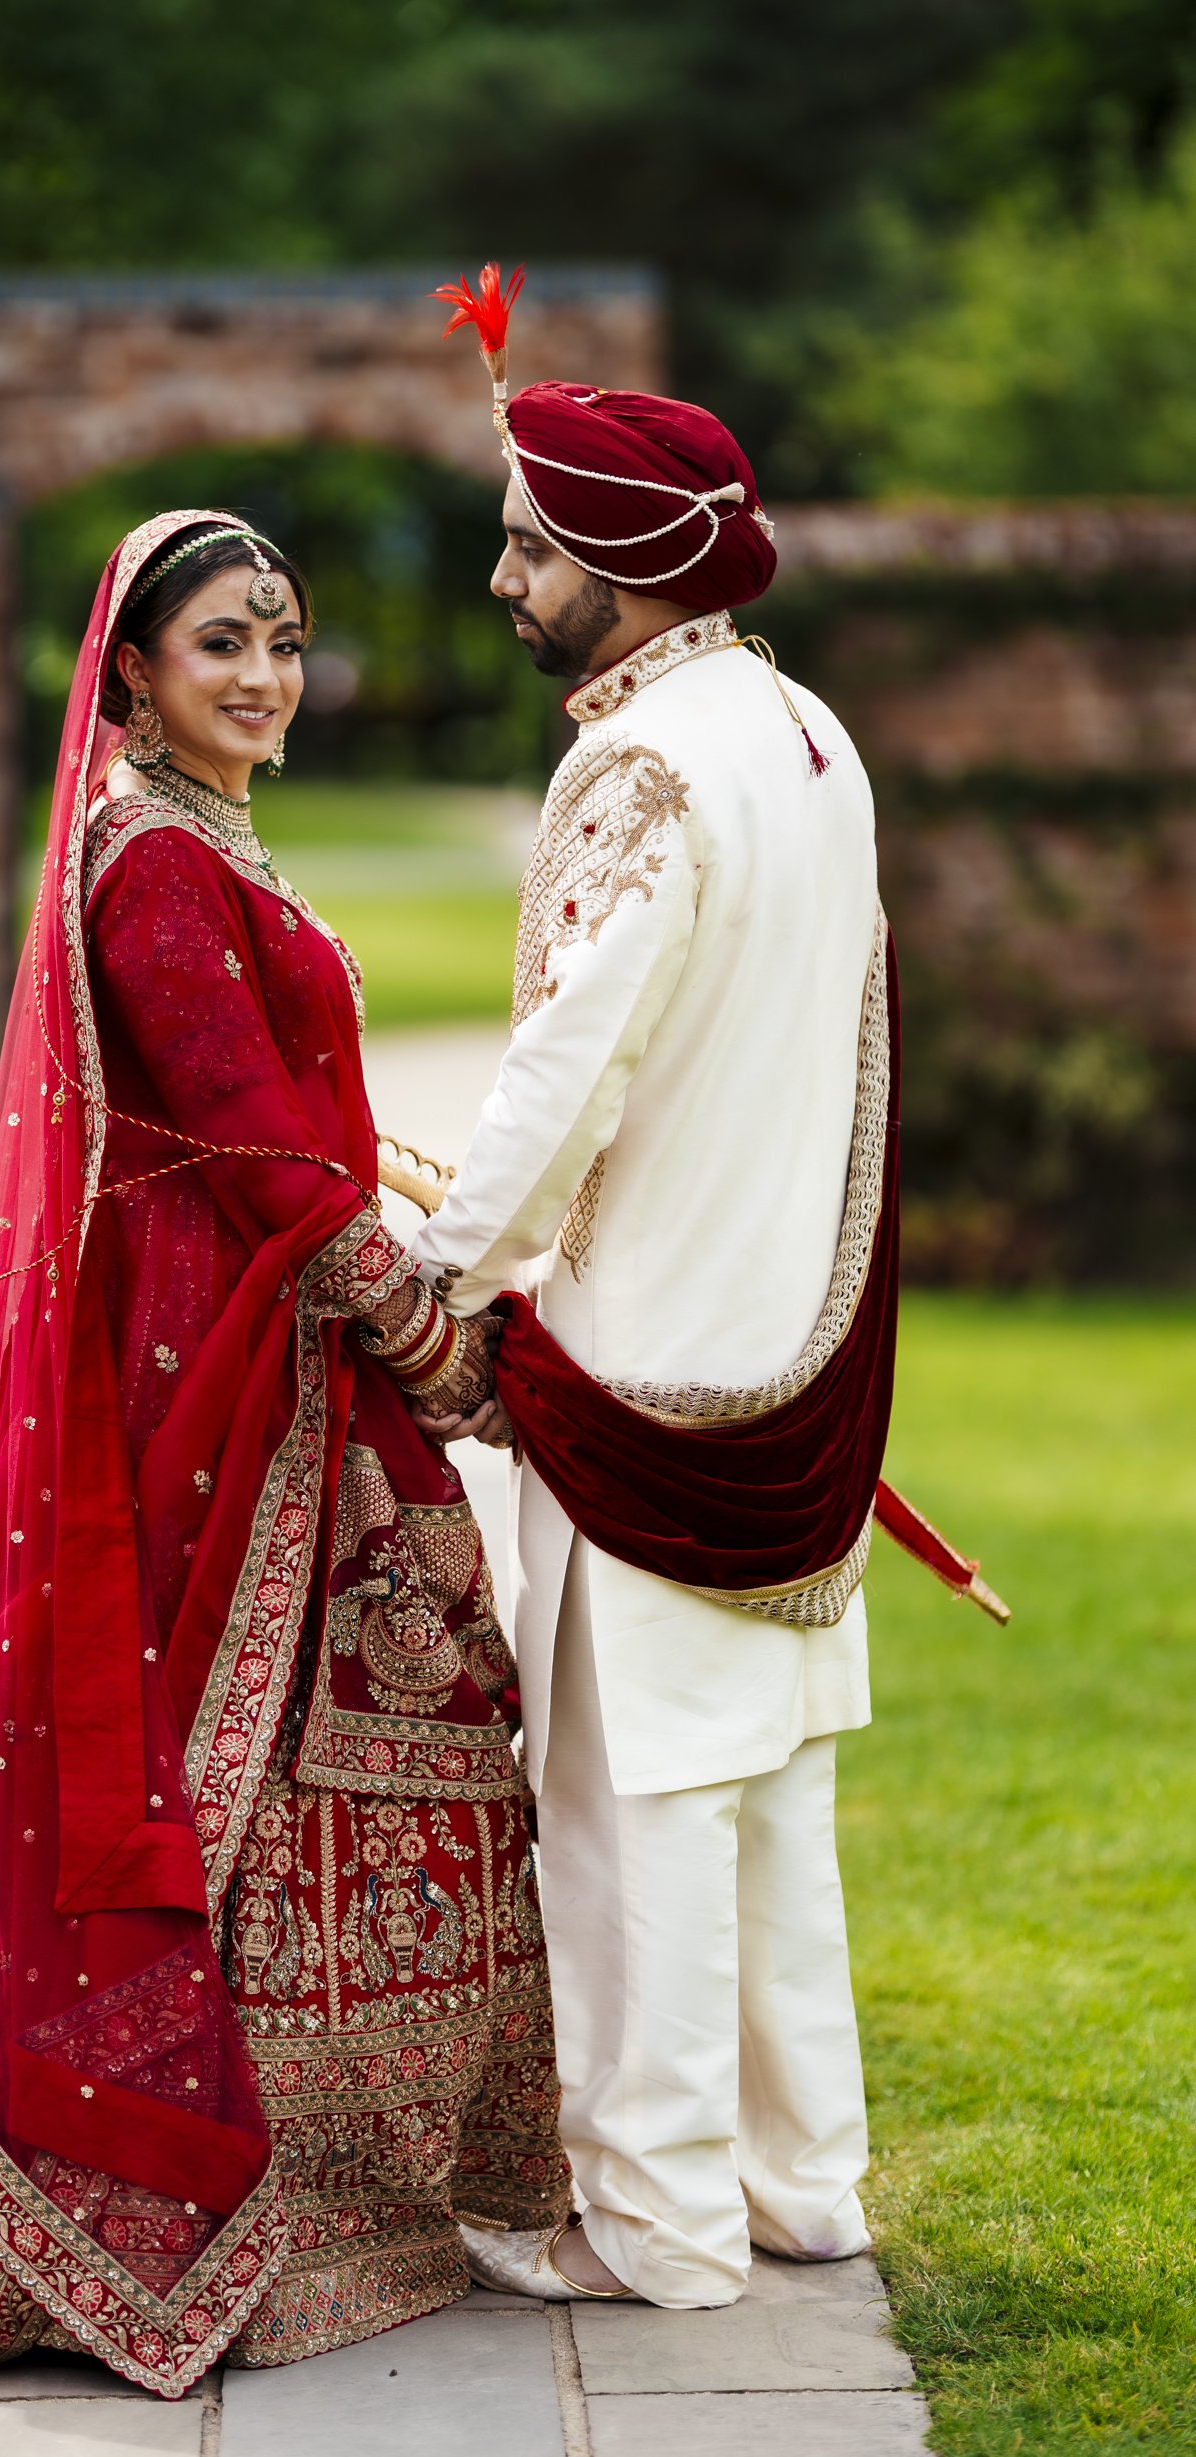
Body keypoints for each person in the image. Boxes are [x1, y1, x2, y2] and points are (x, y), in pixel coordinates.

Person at [0, 508, 569, 2396]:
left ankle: (353, 2190)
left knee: (375, 1727)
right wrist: (432, 1336)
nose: (265, 675)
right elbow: (262, 1148)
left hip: (261, 1350)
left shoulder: (195, 832)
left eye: (283, 638)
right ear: (128, 672)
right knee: (226, 1768)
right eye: (222, 645)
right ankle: (180, 2209)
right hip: (216, 1384)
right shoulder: (150, 865)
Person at [417, 276, 887, 2308]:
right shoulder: (805, 731)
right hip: (800, 1348)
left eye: (530, 544)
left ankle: (662, 2226)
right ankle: (807, 2183)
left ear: (619, 568)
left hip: (653, 1367)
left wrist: (437, 1276)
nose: (502, 573)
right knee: (773, 1795)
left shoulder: (646, 771)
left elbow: (568, 1069)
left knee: (635, 1813)